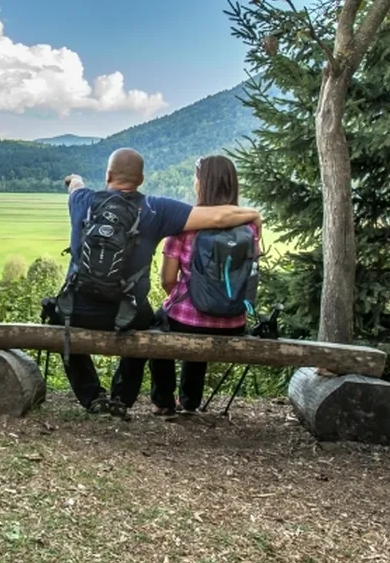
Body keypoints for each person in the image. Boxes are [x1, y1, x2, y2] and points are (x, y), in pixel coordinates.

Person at [48, 148, 261, 415]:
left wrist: (75, 179)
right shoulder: (156, 208)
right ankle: (121, 399)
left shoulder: (82, 200)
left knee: (57, 316)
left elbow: (76, 187)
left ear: (108, 175)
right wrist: (254, 215)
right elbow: (217, 217)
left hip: (79, 311)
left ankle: (92, 396)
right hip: (129, 314)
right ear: (142, 179)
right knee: (148, 321)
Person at [148, 155, 259, 415]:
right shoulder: (249, 228)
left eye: (196, 178)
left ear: (203, 183)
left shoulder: (184, 227)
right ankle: (189, 401)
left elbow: (167, 279)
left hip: (188, 320)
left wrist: (185, 299)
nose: (194, 182)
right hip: (233, 323)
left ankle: (163, 401)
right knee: (200, 323)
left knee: (159, 324)